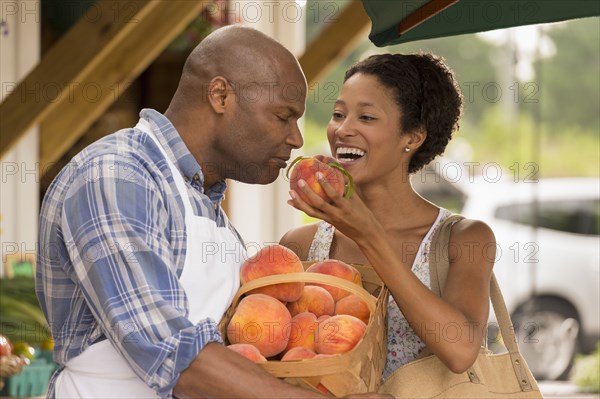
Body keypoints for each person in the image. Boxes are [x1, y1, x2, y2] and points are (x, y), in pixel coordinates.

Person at [36, 25, 391, 399]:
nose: (297, 139)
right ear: (221, 95)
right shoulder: (117, 176)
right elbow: (174, 355)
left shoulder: (208, 208)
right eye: (283, 116)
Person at [280, 53, 496, 380]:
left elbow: (461, 350)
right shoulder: (301, 245)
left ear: (412, 137)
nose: (343, 129)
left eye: (366, 117)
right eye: (338, 114)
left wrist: (369, 236)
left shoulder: (463, 238)